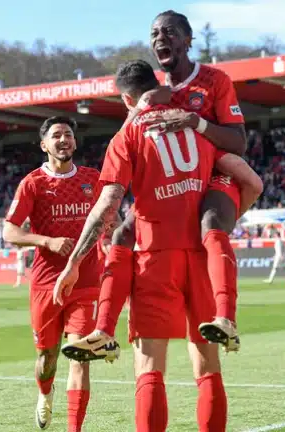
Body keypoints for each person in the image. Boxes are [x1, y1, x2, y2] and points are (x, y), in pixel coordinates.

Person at [63, 9, 263, 358]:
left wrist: (195, 122)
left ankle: (227, 319)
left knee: (210, 220)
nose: (161, 38)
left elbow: (239, 142)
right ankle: (103, 332)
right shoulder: (156, 92)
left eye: (170, 32)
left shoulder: (215, 81)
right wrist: (138, 109)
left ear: (188, 40)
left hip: (218, 171)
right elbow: (138, 128)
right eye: (155, 34)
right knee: (123, 232)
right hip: (176, 185)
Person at [54, 59, 231, 432]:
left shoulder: (127, 136)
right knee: (207, 368)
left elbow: (107, 207)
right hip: (200, 255)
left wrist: (73, 263)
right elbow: (236, 168)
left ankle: (103, 332)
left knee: (150, 370)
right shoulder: (195, 120)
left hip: (155, 258)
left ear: (126, 99)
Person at [2, 116, 115, 431]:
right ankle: (45, 393)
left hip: (87, 280)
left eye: (68, 135)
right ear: (44, 145)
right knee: (46, 360)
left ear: (75, 143)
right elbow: (9, 232)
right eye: (56, 136)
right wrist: (46, 241)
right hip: (46, 283)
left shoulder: (94, 179)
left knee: (81, 358)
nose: (63, 140)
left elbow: (112, 217)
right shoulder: (33, 183)